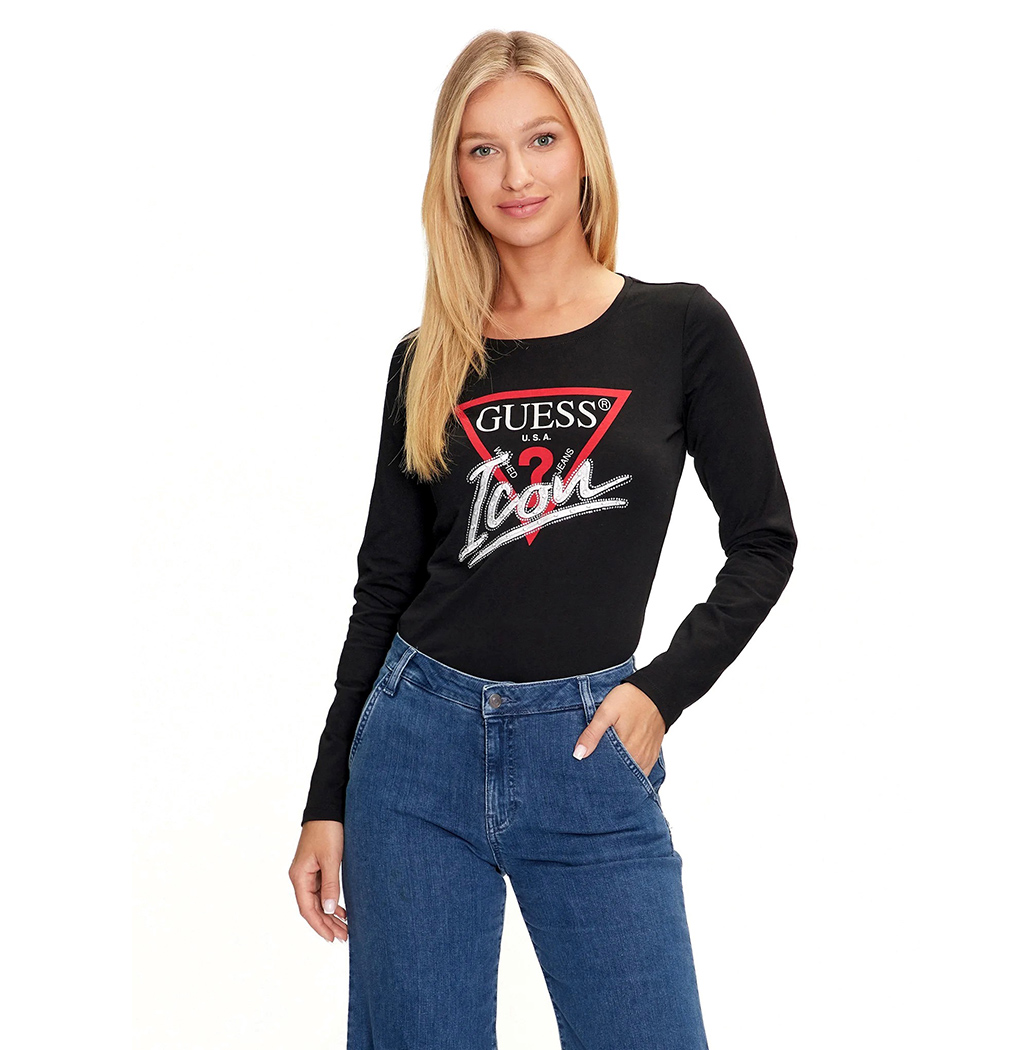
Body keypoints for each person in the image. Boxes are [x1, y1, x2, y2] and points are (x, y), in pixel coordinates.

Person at [289, 28, 797, 1050]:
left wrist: (661, 692)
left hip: (588, 744)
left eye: (541, 139)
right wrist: (326, 796)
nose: (515, 175)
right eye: (482, 149)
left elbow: (764, 542)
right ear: (454, 176)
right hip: (415, 752)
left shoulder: (677, 328)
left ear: (583, 151)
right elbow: (383, 586)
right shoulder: (428, 359)